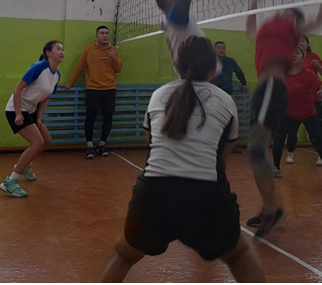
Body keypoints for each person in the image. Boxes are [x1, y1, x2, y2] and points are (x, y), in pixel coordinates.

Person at [99, 36, 266, 283]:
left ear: (176, 67)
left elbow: (152, 146)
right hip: (206, 193)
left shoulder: (158, 96)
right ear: (214, 69)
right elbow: (222, 160)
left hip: (154, 193)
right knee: (239, 254)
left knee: (124, 255)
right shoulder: (226, 101)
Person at [245, 0, 322, 238]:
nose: (281, 10)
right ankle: (269, 208)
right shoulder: (266, 30)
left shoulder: (290, 28)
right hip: (264, 90)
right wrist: (253, 1)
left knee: (256, 149)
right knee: (257, 150)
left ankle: (273, 211)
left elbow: (318, 21)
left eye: (288, 10)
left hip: (273, 88)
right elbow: (250, 29)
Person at [0, 40, 64, 198]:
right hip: (15, 109)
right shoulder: (39, 67)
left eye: (63, 49)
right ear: (48, 53)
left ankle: (25, 165)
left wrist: (39, 118)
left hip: (31, 110)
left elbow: (46, 98)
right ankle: (10, 182)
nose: (62, 52)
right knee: (37, 143)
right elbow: (18, 88)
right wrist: (18, 114)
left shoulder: (56, 75)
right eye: (58, 49)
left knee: (46, 140)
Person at [270, 47, 322, 184]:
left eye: (297, 53)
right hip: (288, 113)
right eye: (291, 53)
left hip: (308, 113)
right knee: (278, 140)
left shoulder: (308, 74)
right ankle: (276, 168)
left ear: (303, 57)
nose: (293, 55)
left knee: (318, 143)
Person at [63, 25, 123, 159]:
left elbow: (118, 69)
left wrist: (114, 59)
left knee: (108, 116)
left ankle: (102, 145)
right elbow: (79, 67)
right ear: (97, 36)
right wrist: (70, 83)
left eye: (106, 33)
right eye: (102, 33)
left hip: (109, 88)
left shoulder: (113, 50)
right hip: (93, 89)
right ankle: (89, 146)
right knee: (91, 116)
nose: (105, 35)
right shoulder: (89, 50)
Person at [153, 0, 204, 66]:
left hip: (185, 66)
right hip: (198, 67)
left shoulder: (166, 18)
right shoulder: (176, 16)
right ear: (169, 1)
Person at [213, 41, 248, 153]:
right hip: (215, 95)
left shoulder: (230, 62)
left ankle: (229, 145)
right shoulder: (210, 62)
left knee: (230, 121)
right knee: (215, 121)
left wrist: (243, 83)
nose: (221, 50)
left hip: (228, 95)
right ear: (214, 50)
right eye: (219, 48)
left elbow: (239, 72)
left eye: (223, 48)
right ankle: (215, 145)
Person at [298, 35, 322, 166]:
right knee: (291, 125)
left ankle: (321, 154)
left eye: (303, 41)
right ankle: (289, 152)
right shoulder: (294, 57)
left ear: (307, 44)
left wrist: (318, 66)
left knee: (317, 126)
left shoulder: (313, 56)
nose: (301, 43)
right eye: (299, 41)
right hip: (298, 98)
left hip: (313, 98)